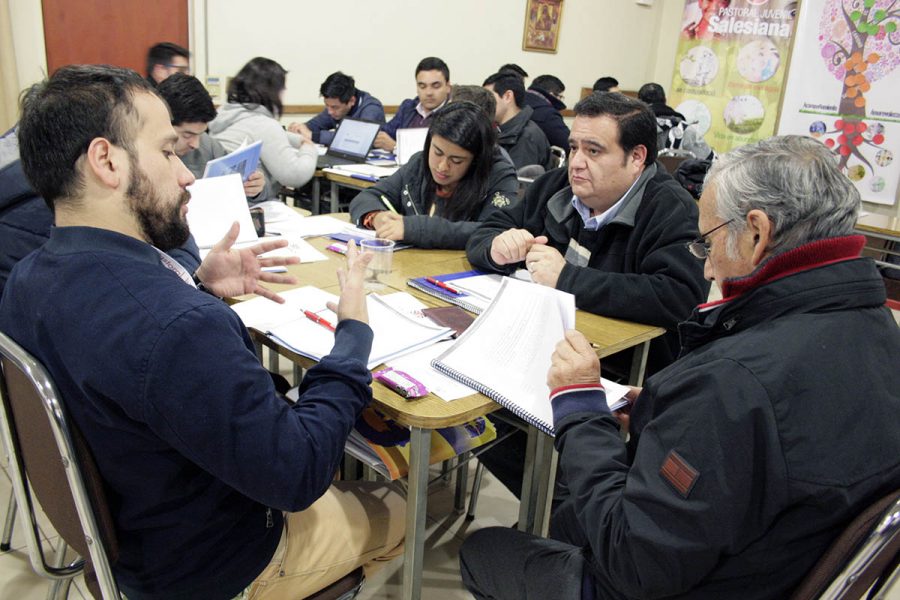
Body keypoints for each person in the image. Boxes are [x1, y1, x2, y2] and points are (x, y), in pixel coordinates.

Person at [1, 64, 406, 600]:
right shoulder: (176, 328)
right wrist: (352, 335)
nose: (187, 173)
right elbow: (299, 473)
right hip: (212, 564)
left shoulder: (27, 279)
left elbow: (127, 346)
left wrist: (194, 283)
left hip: (134, 531)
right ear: (107, 161)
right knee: (402, 505)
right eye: (168, 151)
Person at [460, 134, 900, 599]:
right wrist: (661, 410)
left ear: (756, 232)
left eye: (708, 242)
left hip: (677, 580)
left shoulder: (736, 382)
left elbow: (634, 562)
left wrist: (580, 404)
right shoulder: (875, 327)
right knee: (566, 506)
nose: (707, 270)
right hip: (769, 557)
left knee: (485, 549)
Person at [349, 102, 517, 249]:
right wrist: (378, 217)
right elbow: (368, 196)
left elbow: (494, 231)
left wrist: (416, 229)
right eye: (437, 152)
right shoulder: (419, 164)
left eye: (456, 160)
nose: (442, 166)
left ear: (476, 160)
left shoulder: (499, 175)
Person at [208, 57, 318, 195]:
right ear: (273, 91)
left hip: (218, 194)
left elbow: (256, 133)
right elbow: (294, 175)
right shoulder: (264, 124)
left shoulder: (225, 112)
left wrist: (298, 139)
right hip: (247, 201)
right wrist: (309, 148)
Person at [157, 73, 268, 201]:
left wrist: (255, 188)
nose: (196, 144)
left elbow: (242, 179)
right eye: (188, 135)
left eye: (201, 133)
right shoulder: (143, 158)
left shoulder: (208, 146)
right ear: (163, 124)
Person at [374, 57, 452, 152]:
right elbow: (385, 132)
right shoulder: (408, 107)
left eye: (435, 86)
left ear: (448, 87)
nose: (428, 92)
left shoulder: (454, 115)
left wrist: (396, 148)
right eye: (422, 86)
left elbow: (438, 154)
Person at [288, 71, 385, 145]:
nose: (329, 112)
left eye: (334, 107)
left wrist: (313, 136)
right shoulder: (334, 108)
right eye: (327, 105)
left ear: (351, 101)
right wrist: (300, 128)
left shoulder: (371, 109)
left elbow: (356, 139)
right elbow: (313, 125)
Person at [483, 72, 550, 171]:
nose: (485, 103)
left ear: (508, 96)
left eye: (489, 96)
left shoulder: (526, 137)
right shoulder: (504, 129)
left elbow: (517, 181)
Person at [638, 82, 713, 160]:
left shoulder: (634, 127)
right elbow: (709, 159)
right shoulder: (686, 130)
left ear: (639, 103)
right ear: (665, 100)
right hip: (678, 171)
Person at [524, 74, 570, 149]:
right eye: (560, 97)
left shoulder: (516, 102)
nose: (560, 100)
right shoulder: (548, 114)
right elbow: (567, 144)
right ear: (552, 95)